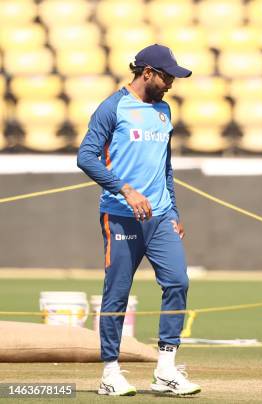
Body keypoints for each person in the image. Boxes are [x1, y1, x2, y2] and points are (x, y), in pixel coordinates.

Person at [77, 44, 201, 396]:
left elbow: (165, 168)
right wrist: (125, 190)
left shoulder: (164, 110)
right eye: (167, 76)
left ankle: (165, 370)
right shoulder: (112, 107)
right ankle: (110, 373)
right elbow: (85, 157)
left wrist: (174, 211)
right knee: (117, 293)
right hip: (119, 216)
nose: (172, 83)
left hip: (161, 218)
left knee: (178, 281)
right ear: (147, 72)